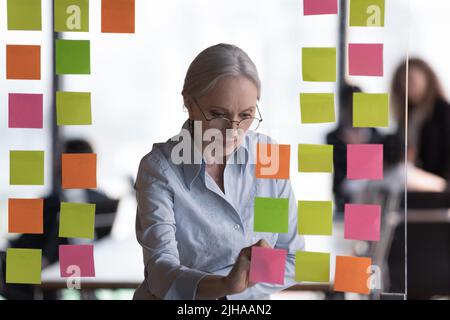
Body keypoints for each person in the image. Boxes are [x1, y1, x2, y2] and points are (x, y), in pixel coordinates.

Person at [133, 43, 304, 300]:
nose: (233, 130)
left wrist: (232, 288)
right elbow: (160, 273)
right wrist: (225, 285)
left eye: (246, 115)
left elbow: (292, 258)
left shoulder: (267, 157)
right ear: (189, 103)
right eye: (218, 114)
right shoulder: (160, 169)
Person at [0, 139, 119, 300]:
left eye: (59, 158)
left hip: (48, 268)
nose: (56, 163)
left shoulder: (53, 202)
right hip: (74, 268)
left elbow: (21, 243)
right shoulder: (103, 201)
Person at [387, 58, 450, 192]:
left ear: (427, 79)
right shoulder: (407, 117)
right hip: (416, 181)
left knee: (401, 174)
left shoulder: (443, 112)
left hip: (440, 183)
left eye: (411, 80)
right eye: (402, 82)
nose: (406, 86)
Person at [326, 84, 384, 213]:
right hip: (345, 204)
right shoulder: (333, 138)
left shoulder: (377, 136)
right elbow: (340, 180)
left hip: (373, 203)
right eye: (350, 105)